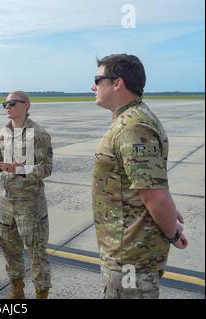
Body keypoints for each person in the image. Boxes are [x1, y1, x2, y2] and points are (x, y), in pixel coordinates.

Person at [91, 54, 188, 299]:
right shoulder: (130, 119)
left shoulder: (133, 126)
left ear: (117, 83)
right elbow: (146, 181)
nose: (93, 86)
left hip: (131, 254)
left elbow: (154, 195)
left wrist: (172, 233)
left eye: (98, 79)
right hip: (126, 248)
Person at [0, 91, 53, 299]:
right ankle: (17, 290)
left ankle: (41, 294)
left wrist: (20, 169)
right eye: (5, 104)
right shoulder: (4, 133)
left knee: (37, 254)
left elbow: (46, 168)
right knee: (9, 249)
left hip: (30, 207)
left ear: (26, 105)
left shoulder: (39, 134)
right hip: (7, 206)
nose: (7, 107)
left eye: (11, 103)